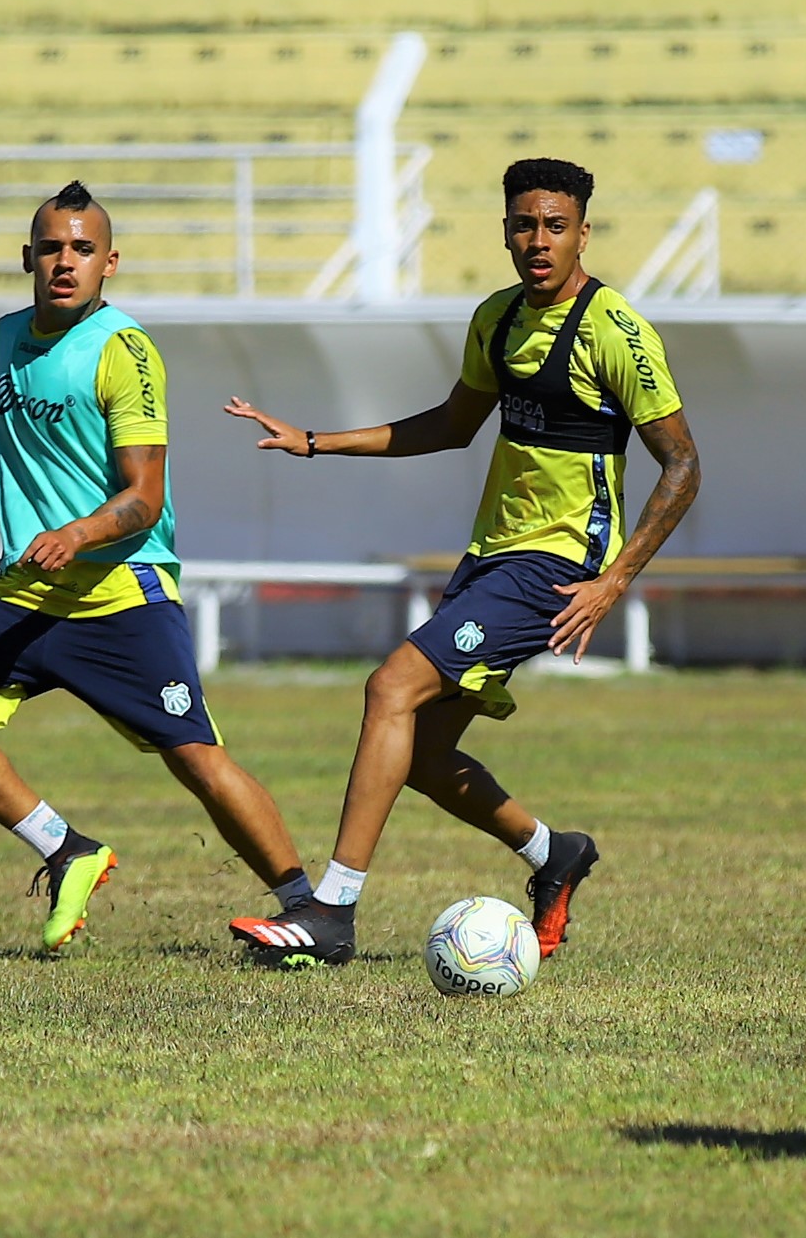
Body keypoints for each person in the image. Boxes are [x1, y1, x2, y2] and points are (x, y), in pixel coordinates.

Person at [222, 158, 701, 969]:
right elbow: (451, 423)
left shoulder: (616, 331)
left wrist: (613, 579)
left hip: (555, 561)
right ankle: (554, 852)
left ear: (584, 231)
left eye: (555, 225)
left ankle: (332, 911)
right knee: (423, 754)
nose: (538, 240)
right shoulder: (497, 319)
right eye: (524, 224)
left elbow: (683, 464)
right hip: (490, 556)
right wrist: (315, 441)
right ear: (506, 231)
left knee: (390, 687)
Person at [0, 181, 315, 952]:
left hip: (121, 589)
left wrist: (77, 535)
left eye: (82, 249)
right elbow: (14, 434)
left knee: (197, 759)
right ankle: (68, 847)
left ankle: (309, 906)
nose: (65, 262)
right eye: (51, 248)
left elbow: (143, 498)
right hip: (32, 589)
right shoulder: (7, 335)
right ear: (28, 258)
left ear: (110, 262)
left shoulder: (125, 350)